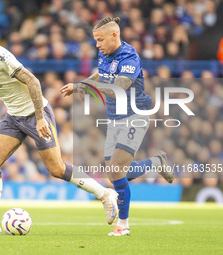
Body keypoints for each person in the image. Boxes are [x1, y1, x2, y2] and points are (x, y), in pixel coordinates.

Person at [0, 22, 119, 235]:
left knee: (56, 169)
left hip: (35, 114)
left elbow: (33, 82)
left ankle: (105, 194)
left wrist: (40, 119)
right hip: (13, 116)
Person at [60, 17, 174, 236]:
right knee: (114, 174)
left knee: (115, 170)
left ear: (115, 36)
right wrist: (82, 84)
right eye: (95, 40)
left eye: (100, 39)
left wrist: (86, 86)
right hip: (114, 118)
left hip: (135, 115)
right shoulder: (104, 55)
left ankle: (124, 225)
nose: (97, 44)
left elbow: (117, 89)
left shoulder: (129, 57)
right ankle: (155, 162)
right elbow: (100, 74)